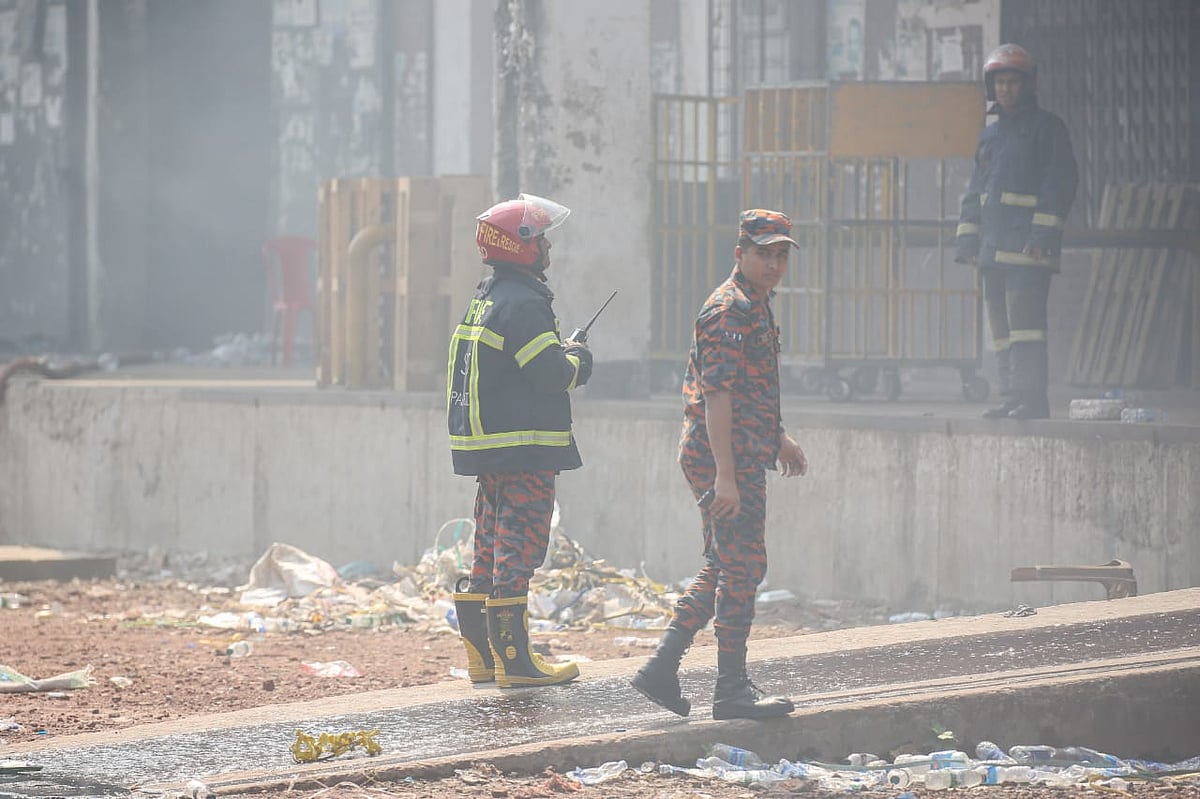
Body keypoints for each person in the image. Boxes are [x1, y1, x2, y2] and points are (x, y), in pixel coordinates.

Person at [632, 209, 808, 720]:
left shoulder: (755, 304)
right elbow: (717, 395)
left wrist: (778, 437)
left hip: (742, 452)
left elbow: (750, 389)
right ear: (740, 254)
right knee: (745, 566)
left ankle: (661, 669)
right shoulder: (728, 310)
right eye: (764, 254)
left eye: (781, 255)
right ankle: (730, 690)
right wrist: (727, 477)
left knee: (725, 562)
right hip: (719, 457)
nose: (774, 264)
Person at [446, 193, 593, 688]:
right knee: (519, 548)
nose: (548, 245)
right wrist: (578, 359)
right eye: (541, 237)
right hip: (526, 451)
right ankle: (516, 664)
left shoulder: (487, 298)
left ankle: (485, 660)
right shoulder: (525, 304)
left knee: (487, 546)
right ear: (521, 246)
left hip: (492, 452)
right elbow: (552, 374)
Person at [956, 43, 1079, 420]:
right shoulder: (991, 135)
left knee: (1027, 330)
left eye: (1013, 81)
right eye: (1000, 81)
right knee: (1003, 331)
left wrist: (1043, 237)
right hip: (993, 252)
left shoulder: (1047, 129)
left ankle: (1032, 400)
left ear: (1028, 85)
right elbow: (976, 191)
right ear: (992, 87)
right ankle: (1011, 395)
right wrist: (967, 240)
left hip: (1028, 252)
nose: (1006, 89)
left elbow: (1060, 184)